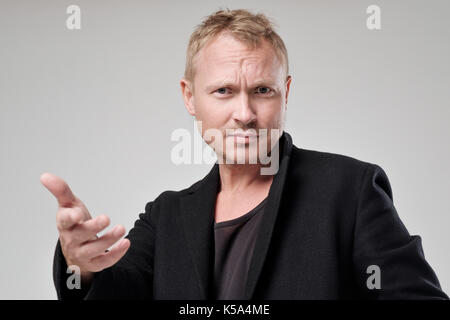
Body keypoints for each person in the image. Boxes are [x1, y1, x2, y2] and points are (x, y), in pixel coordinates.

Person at [42, 9, 448, 300]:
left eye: (262, 91)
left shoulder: (350, 191)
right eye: (223, 91)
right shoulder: (165, 217)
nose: (244, 114)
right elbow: (116, 292)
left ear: (285, 93)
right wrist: (82, 266)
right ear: (189, 97)